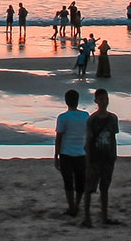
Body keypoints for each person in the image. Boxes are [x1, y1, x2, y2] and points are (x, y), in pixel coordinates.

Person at [81, 89, 119, 227]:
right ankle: (87, 218)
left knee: (104, 188)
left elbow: (113, 138)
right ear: (96, 101)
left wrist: (114, 155)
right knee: (89, 188)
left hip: (108, 158)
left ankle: (104, 216)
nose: (104, 102)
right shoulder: (92, 119)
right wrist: (88, 163)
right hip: (95, 159)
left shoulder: (113, 118)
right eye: (101, 99)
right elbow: (89, 142)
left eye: (106, 99)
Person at [54, 89, 89, 217]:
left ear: (66, 101)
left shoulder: (63, 117)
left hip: (67, 153)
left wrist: (56, 156)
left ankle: (72, 206)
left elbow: (59, 138)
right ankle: (77, 205)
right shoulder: (85, 116)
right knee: (80, 181)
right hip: (81, 153)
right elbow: (88, 135)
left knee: (68, 182)